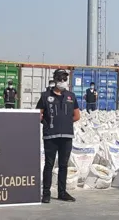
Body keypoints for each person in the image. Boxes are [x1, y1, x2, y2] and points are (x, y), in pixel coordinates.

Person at [37, 69, 80, 203]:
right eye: (60, 79)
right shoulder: (45, 96)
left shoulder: (71, 96)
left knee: (63, 165)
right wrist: (49, 122)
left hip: (66, 136)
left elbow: (77, 115)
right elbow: (39, 114)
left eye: (65, 79)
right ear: (55, 80)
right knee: (49, 164)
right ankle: (46, 193)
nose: (62, 82)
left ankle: (62, 192)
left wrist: (65, 122)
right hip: (51, 135)